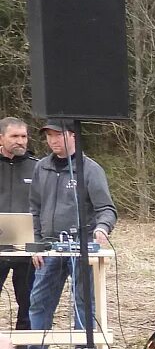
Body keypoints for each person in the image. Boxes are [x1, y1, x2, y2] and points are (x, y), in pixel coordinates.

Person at [28, 118, 115, 334]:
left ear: (73, 135)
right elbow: (34, 209)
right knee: (39, 301)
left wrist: (102, 228)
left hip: (81, 246)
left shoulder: (90, 170)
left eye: (59, 135)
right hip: (49, 247)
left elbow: (106, 209)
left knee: (84, 303)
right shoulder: (41, 167)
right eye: (49, 136)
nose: (53, 140)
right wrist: (36, 244)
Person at [0, 118, 34, 330]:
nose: (20, 141)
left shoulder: (38, 168)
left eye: (23, 136)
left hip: (27, 248)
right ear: (1, 138)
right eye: (14, 136)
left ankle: (27, 348)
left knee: (28, 301)